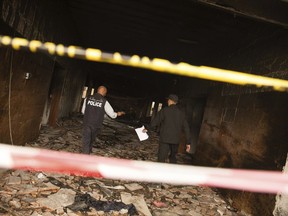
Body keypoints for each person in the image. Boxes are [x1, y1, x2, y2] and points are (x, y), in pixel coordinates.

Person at [144, 94, 191, 163]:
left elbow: (156, 121)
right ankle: (170, 171)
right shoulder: (181, 113)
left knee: (161, 159)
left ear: (171, 101)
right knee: (173, 158)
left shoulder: (165, 110)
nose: (167, 101)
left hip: (164, 139)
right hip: (175, 140)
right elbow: (186, 128)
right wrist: (188, 142)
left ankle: (160, 172)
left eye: (168, 100)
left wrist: (147, 128)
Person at [81, 85, 125, 154]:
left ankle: (87, 152)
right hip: (96, 125)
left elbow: (83, 111)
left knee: (86, 139)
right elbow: (112, 115)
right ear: (104, 92)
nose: (105, 94)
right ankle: (86, 156)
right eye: (105, 93)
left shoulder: (87, 98)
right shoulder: (104, 101)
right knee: (91, 139)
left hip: (87, 122)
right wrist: (118, 113)